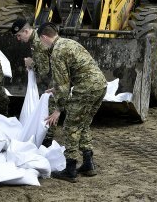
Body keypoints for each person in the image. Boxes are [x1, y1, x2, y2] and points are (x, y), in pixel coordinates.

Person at [37, 22, 108, 183]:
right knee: (82, 124)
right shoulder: (69, 42)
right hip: (100, 85)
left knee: (70, 126)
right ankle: (88, 164)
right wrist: (55, 89)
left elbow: (63, 84)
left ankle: (70, 170)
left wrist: (58, 109)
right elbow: (73, 75)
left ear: (44, 37)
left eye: (41, 41)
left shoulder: (56, 52)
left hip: (86, 89)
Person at [11, 18, 55, 146]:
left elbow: (44, 69)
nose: (18, 39)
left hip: (56, 78)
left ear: (26, 31)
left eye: (19, 35)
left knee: (51, 107)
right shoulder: (35, 39)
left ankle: (47, 140)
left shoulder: (38, 42)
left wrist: (32, 64)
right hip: (55, 76)